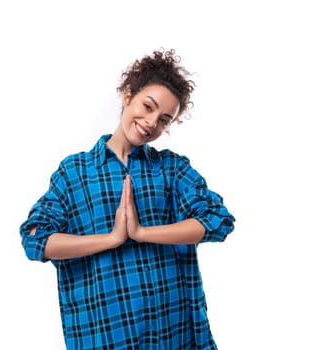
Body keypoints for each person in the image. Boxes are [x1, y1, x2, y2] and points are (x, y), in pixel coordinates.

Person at [19, 48, 235, 349]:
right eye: (147, 106)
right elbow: (35, 240)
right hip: (107, 337)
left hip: (174, 335)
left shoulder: (171, 169)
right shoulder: (75, 172)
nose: (151, 122)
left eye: (163, 120)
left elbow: (217, 219)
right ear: (127, 96)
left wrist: (142, 233)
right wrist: (111, 238)